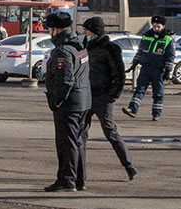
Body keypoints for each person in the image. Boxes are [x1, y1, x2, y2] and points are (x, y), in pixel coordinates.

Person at [80, 16, 135, 184]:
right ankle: (79, 176)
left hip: (103, 97)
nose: (84, 32)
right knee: (79, 135)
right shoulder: (85, 46)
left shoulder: (109, 48)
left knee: (111, 132)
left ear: (95, 31)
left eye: (87, 30)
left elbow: (119, 74)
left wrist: (113, 95)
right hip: (85, 96)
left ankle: (129, 166)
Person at [41, 11, 92, 192]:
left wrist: (57, 101)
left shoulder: (63, 50)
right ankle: (79, 179)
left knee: (66, 142)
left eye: (50, 28)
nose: (49, 32)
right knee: (78, 141)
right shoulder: (79, 45)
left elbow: (65, 80)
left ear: (55, 29)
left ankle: (67, 179)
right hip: (83, 101)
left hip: (69, 103)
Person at [123, 13, 175, 120]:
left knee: (158, 93)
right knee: (139, 90)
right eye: (154, 26)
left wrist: (168, 71)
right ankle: (132, 109)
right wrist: (134, 64)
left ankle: (156, 113)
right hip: (145, 68)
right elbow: (140, 52)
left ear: (163, 26)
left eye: (158, 26)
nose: (156, 28)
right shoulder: (146, 36)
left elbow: (170, 56)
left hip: (159, 70)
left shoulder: (168, 39)